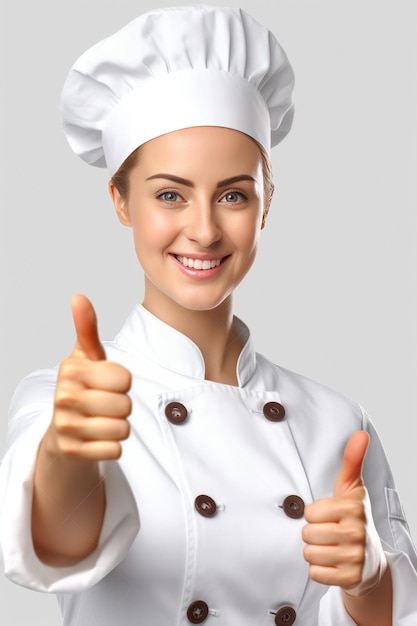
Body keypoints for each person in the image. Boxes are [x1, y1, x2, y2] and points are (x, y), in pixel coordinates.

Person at [0, 5, 416, 625]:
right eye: (170, 194)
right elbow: (54, 549)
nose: (203, 229)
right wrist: (68, 454)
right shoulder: (71, 400)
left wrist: (370, 577)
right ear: (120, 200)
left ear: (266, 202)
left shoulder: (336, 419)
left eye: (233, 195)